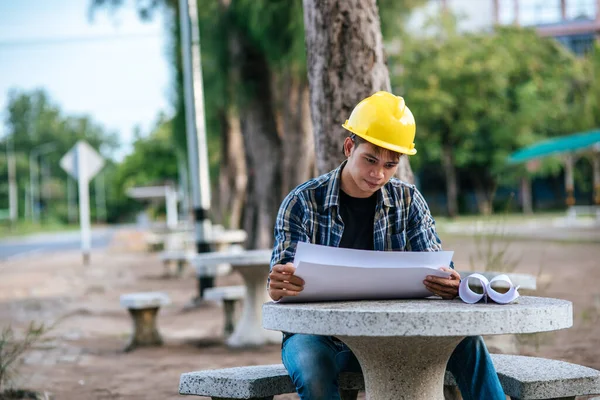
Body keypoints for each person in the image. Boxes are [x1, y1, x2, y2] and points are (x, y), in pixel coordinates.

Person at [267, 91, 506, 400]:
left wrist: (449, 283)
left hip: (396, 331)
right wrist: (279, 287)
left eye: (390, 165)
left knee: (468, 340)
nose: (378, 174)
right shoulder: (301, 202)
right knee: (313, 369)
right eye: (370, 160)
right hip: (319, 336)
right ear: (349, 146)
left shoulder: (409, 201)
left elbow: (437, 265)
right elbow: (280, 284)